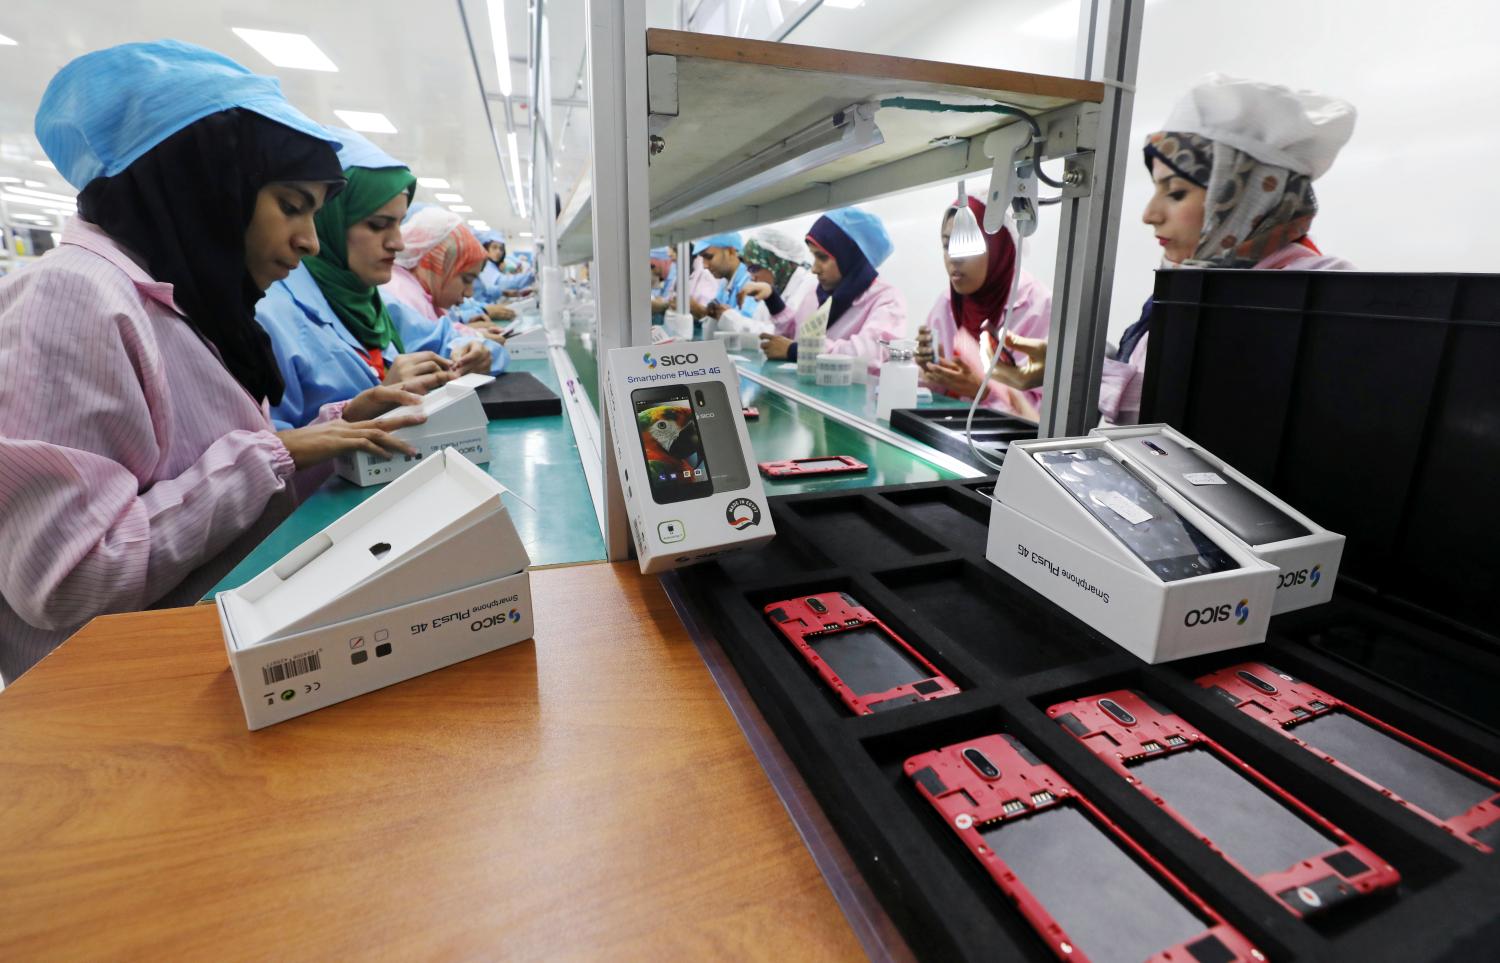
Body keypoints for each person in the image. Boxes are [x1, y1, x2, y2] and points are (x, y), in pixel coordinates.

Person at [0, 41, 432, 683]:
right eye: (291, 206)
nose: (311, 241)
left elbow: (210, 481)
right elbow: (68, 579)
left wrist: (331, 430)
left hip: (204, 667)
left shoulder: (184, 303)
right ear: (204, 185)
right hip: (123, 710)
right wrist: (274, 454)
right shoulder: (75, 298)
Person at [986, 74, 1356, 425]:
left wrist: (1083, 371)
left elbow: (1229, 410)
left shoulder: (1322, 290)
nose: (1150, 214)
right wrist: (1064, 365)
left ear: (1248, 196)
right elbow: (1158, 381)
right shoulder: (1200, 280)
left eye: (1176, 192)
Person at [256, 129, 498, 429]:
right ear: (329, 220)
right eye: (378, 225)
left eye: (399, 224)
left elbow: (446, 338)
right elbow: (272, 457)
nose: (397, 243)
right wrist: (373, 404)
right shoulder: (271, 317)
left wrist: (476, 352)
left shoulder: (373, 303)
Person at [919, 197, 1052, 419]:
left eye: (967, 244)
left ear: (999, 246)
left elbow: (1046, 417)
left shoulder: (1040, 308)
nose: (954, 258)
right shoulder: (947, 302)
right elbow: (932, 398)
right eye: (947, 244)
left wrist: (983, 392)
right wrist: (931, 371)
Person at [759, 207, 908, 368]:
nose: (814, 269)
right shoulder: (817, 294)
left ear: (850, 258)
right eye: (813, 256)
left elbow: (869, 355)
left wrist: (799, 351)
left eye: (822, 257)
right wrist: (773, 301)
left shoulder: (887, 300)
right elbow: (795, 338)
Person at [720, 228, 814, 335]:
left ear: (776, 263)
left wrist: (734, 320)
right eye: (748, 269)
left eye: (754, 269)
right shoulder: (775, 287)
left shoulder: (808, 287)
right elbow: (759, 323)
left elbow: (788, 336)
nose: (751, 277)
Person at [688, 233, 751, 321]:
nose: (704, 266)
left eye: (709, 257)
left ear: (730, 251)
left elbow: (745, 327)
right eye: (702, 258)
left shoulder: (749, 282)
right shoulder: (724, 283)